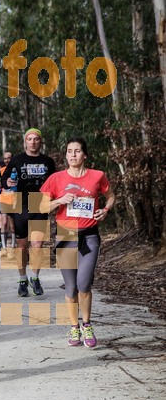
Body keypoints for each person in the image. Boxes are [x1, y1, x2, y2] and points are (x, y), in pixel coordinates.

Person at [40, 137, 115, 347]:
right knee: (71, 288)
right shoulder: (56, 179)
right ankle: (74, 328)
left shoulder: (97, 176)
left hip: (89, 235)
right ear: (66, 155)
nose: (73, 155)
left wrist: (105, 210)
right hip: (66, 236)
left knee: (84, 284)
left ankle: (87, 324)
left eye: (77, 151)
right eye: (69, 151)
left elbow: (110, 196)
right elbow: (41, 207)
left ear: (85, 155)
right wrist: (59, 201)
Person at [1, 129, 56, 297]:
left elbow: (55, 182)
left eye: (36, 139)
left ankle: (35, 277)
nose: (33, 142)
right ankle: (23, 278)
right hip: (21, 206)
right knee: (22, 246)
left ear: (40, 142)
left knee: (38, 245)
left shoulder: (48, 161)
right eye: (30, 139)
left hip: (40, 205)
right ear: (25, 142)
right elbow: (4, 180)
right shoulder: (17, 160)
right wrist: (8, 181)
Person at [0, 150, 15, 253]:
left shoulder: (17, 170)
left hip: (15, 199)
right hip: (4, 199)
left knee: (13, 224)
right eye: (5, 158)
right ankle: (3, 246)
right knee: (4, 222)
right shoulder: (1, 170)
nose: (7, 160)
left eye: (9, 158)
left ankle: (13, 245)